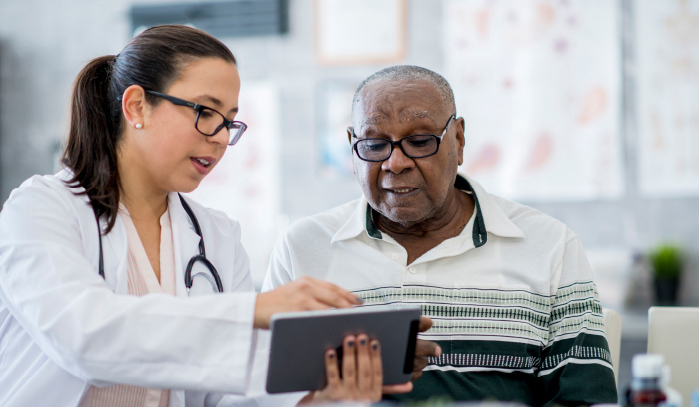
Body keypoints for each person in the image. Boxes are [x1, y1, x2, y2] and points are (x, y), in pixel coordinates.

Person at [0, 25, 403, 407]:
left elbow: (228, 394)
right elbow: (83, 337)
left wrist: (319, 396)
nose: (221, 136)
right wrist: (251, 312)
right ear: (137, 105)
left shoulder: (217, 236)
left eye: (229, 121)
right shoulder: (41, 209)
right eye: (205, 112)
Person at [263, 65, 619, 406]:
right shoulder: (302, 248)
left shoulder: (550, 246)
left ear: (459, 140)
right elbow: (261, 394)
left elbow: (583, 400)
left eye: (419, 141)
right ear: (352, 147)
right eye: (374, 145)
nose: (395, 163)